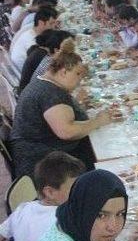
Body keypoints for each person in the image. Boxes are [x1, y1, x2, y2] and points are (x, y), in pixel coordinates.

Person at [9, 39, 118, 178]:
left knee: (98, 142)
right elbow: (67, 131)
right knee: (104, 150)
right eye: (77, 74)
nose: (80, 79)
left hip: (43, 151)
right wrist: (98, 121)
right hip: (41, 163)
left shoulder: (46, 83)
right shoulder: (50, 93)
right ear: (63, 72)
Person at [20, 170, 128, 241]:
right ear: (82, 211)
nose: (112, 227)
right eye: (101, 215)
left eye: (120, 214)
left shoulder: (68, 222)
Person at [0, 152, 85, 241]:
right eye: (75, 188)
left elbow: (2, 232)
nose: (81, 192)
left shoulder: (23, 209)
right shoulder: (65, 222)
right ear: (50, 192)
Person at [10, 6, 58, 71]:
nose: (54, 27)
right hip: (22, 73)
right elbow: (43, 68)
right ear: (41, 23)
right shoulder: (32, 43)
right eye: (51, 23)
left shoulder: (30, 31)